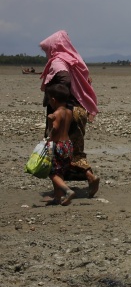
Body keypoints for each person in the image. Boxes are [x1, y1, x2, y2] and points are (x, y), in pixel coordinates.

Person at [39, 30, 100, 198]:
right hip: (80, 109)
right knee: (75, 150)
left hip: (68, 111)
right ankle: (90, 176)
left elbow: (64, 81)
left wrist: (59, 103)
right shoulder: (75, 60)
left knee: (56, 151)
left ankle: (60, 191)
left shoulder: (58, 62)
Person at [43, 83, 76, 206]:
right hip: (67, 144)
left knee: (52, 173)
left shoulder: (56, 114)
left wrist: (50, 122)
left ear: (53, 100)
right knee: (60, 172)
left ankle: (67, 191)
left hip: (57, 145)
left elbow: (54, 130)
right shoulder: (69, 112)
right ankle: (58, 198)